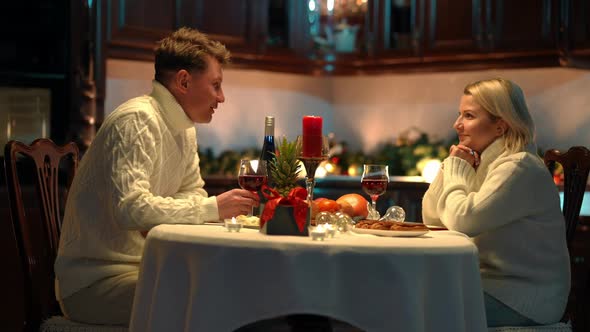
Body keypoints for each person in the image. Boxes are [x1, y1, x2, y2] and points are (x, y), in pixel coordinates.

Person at [54, 27, 260, 326]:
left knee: (227, 289)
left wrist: (173, 209)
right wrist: (212, 208)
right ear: (184, 81)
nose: (222, 97)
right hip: (94, 283)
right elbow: (132, 209)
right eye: (216, 85)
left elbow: (193, 192)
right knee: (215, 298)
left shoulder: (183, 127)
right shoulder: (137, 119)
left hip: (144, 268)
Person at [422, 78, 570, 327]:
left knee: (419, 307)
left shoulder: (519, 166)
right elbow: (432, 217)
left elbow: (462, 221)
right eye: (459, 114)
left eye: (468, 116)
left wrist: (456, 166)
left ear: (500, 127)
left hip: (525, 297)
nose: (456, 124)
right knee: (413, 299)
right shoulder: (483, 162)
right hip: (487, 285)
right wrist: (452, 165)